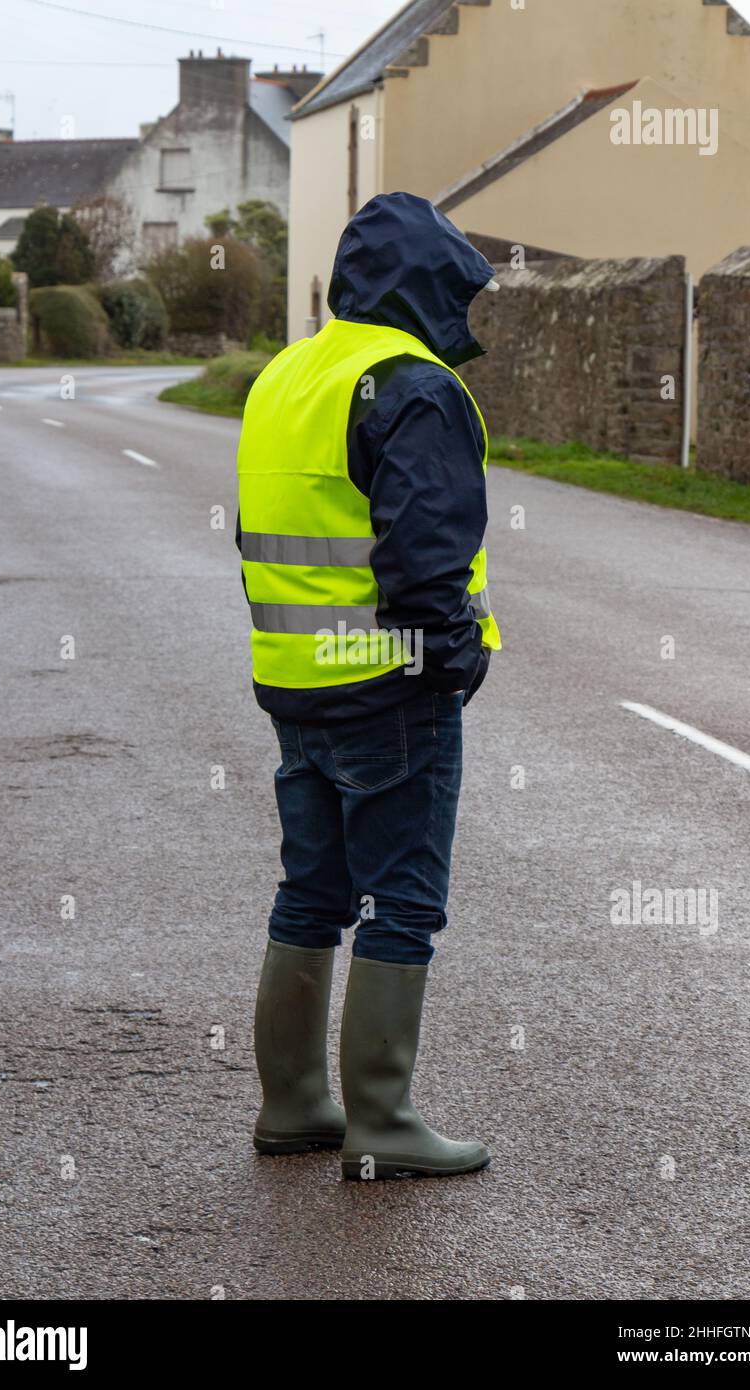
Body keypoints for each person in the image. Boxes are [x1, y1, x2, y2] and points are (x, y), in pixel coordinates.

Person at [236, 191, 502, 1179]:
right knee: (402, 903)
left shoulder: (286, 374)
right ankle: (380, 1116)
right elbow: (425, 557)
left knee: (311, 893)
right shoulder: (408, 384)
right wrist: (455, 658)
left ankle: (293, 1102)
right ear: (428, 286)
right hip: (393, 686)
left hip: (293, 680)